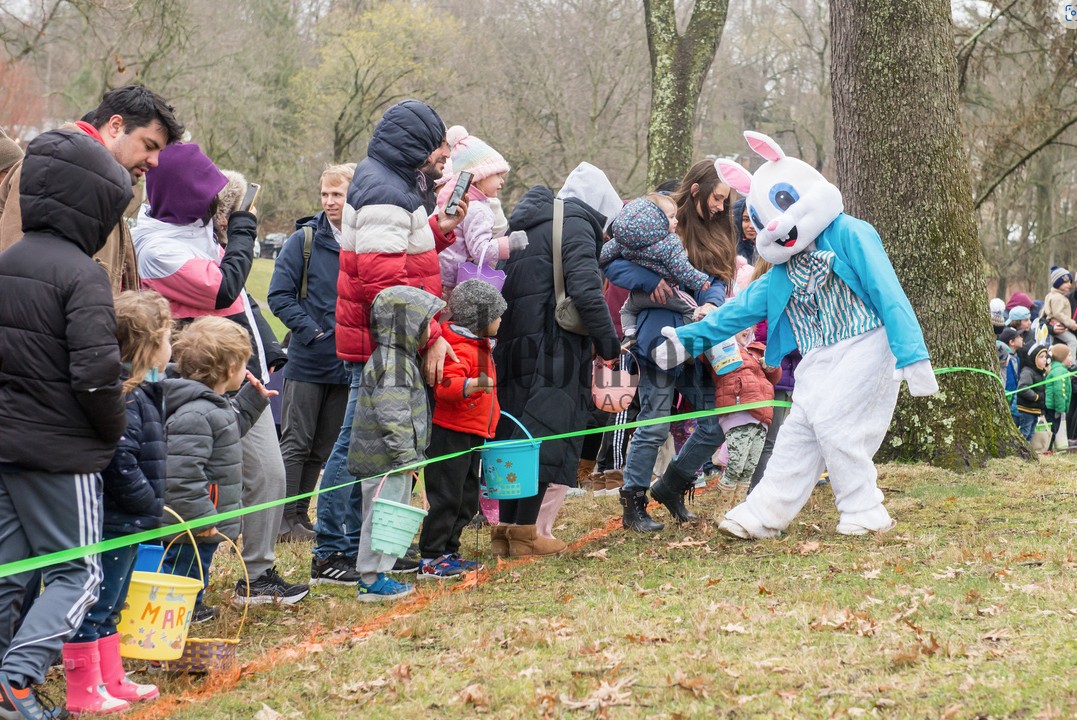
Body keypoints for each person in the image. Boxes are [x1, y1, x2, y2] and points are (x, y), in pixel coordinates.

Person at [659, 132, 938, 539]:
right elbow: (738, 310)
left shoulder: (851, 233)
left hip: (865, 342)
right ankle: (764, 512)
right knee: (798, 431)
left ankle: (864, 508)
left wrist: (912, 354)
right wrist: (687, 340)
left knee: (834, 423)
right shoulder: (783, 270)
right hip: (817, 355)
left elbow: (887, 292)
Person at [133, 143, 306, 605]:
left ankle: (257, 575)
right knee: (198, 486)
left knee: (267, 472)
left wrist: (229, 219)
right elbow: (224, 287)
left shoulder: (197, 226)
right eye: (207, 195)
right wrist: (245, 229)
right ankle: (184, 592)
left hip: (238, 370)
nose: (213, 204)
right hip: (198, 379)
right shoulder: (156, 245)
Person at [0, 129, 130, 719]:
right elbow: (98, 375)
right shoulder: (82, 275)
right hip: (64, 452)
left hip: (7, 446)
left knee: (11, 573)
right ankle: (17, 679)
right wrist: (109, 433)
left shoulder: (6, 263)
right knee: (78, 574)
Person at [323, 100, 467, 579]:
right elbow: (384, 286)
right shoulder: (385, 190)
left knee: (363, 445)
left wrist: (438, 231)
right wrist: (430, 337)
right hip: (383, 344)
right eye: (437, 148)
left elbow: (401, 256)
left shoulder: (392, 186)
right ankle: (335, 547)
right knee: (358, 447)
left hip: (387, 339)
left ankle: (360, 545)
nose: (443, 157)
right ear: (416, 147)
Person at [492, 162, 621, 556]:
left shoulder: (527, 222)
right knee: (543, 436)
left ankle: (506, 529)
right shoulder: (578, 223)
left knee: (515, 436)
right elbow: (584, 287)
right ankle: (527, 533)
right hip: (553, 344)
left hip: (514, 340)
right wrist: (608, 343)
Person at [603, 159, 736, 531]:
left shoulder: (718, 231)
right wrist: (646, 280)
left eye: (727, 201)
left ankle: (672, 485)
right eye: (719, 198)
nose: (721, 207)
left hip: (700, 339)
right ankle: (633, 503)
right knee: (654, 425)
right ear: (697, 189)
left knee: (714, 423)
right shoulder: (654, 216)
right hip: (659, 338)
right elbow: (612, 260)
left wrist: (712, 302)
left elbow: (715, 279)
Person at [62, 292, 171, 716]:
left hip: (130, 522)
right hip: (112, 520)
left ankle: (111, 678)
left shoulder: (145, 391)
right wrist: (147, 501)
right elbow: (120, 462)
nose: (171, 347)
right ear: (149, 345)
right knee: (93, 605)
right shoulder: (125, 398)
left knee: (113, 604)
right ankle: (83, 689)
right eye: (167, 338)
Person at [0, 85, 184, 294]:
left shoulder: (104, 185)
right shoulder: (50, 168)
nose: (155, 161)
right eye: (149, 146)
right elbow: (21, 284)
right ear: (116, 125)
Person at [162, 316, 282, 616]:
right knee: (183, 565)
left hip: (206, 516)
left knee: (197, 562)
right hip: (194, 520)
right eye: (244, 365)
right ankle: (179, 613)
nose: (246, 371)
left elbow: (228, 433)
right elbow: (182, 475)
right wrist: (201, 517)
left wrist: (253, 400)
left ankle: (193, 606)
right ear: (231, 369)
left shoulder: (211, 404)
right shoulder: (195, 414)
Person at [268, 164, 356, 549]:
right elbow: (278, 296)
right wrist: (313, 331)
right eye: (325, 194)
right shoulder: (303, 240)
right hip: (308, 360)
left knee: (323, 446)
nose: (329, 201)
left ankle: (300, 516)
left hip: (346, 361)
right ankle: (282, 519)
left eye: (337, 194)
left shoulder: (360, 239)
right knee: (297, 442)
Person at [348, 286, 445, 600]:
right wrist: (406, 457)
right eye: (426, 322)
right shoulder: (393, 364)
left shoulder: (399, 359)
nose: (432, 330)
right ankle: (370, 580)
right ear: (408, 325)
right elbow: (392, 414)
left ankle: (378, 574)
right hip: (387, 462)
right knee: (381, 519)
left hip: (395, 461)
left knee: (389, 519)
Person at [419, 280, 506, 573]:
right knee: (446, 496)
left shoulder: (481, 346)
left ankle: (450, 551)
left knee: (467, 499)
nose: (500, 321)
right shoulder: (456, 347)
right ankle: (432, 555)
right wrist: (471, 385)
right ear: (480, 319)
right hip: (451, 432)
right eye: (496, 315)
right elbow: (446, 387)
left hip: (474, 433)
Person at [435, 126, 527, 300]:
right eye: (497, 175)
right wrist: (508, 243)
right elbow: (479, 250)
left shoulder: (452, 198)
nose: (502, 181)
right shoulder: (477, 209)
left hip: (439, 277)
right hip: (453, 284)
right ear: (480, 175)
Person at [712, 327, 781, 513]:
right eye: (741, 324)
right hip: (739, 411)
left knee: (749, 468)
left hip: (763, 413)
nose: (747, 328)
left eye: (749, 324)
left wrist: (771, 365)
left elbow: (775, 377)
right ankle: (721, 513)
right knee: (736, 465)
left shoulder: (758, 348)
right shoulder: (720, 346)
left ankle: (737, 511)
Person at [600, 197, 712, 295]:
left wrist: (594, 258)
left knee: (627, 312)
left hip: (636, 294)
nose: (676, 221)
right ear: (656, 219)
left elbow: (603, 254)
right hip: (667, 291)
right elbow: (681, 267)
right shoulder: (670, 242)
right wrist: (699, 281)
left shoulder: (624, 240)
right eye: (671, 217)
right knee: (688, 307)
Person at [1015, 343, 1049, 441]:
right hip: (1026, 409)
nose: (1044, 359)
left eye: (1045, 357)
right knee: (1025, 432)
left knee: (1031, 433)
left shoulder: (1040, 373)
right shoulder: (1028, 372)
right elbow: (1022, 387)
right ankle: (1020, 452)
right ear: (1034, 358)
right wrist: (1036, 397)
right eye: (1041, 357)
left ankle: (1027, 453)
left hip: (1035, 409)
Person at [1043, 267, 1077, 357]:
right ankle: (1072, 363)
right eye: (1066, 282)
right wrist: (1052, 329)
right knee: (1072, 341)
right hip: (1062, 351)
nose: (1069, 285)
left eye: (1070, 282)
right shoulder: (1065, 298)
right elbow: (1043, 320)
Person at [1044, 343, 1071, 448]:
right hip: (1053, 408)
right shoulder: (1060, 371)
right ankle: (1048, 449)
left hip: (1052, 407)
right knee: (1052, 430)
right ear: (1062, 357)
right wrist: (1060, 409)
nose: (1071, 358)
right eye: (1069, 355)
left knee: (1053, 430)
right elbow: (1060, 391)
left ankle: (1049, 448)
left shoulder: (1058, 369)